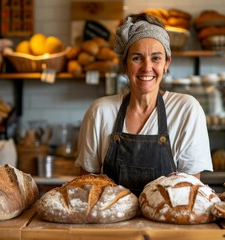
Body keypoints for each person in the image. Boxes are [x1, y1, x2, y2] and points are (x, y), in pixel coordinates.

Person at [75, 13, 213, 196]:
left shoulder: (186, 110)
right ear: (125, 65)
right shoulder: (100, 112)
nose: (147, 68)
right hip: (111, 224)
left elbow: (189, 193)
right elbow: (86, 190)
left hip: (168, 223)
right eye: (137, 58)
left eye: (156, 58)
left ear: (166, 63)